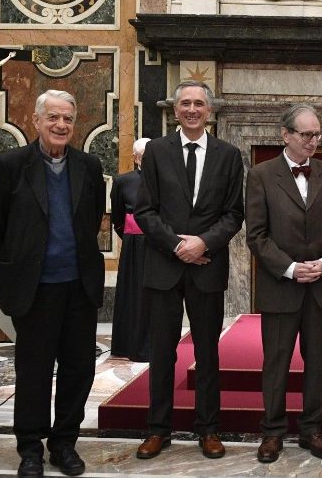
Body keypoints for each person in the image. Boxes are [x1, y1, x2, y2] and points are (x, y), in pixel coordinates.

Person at [0, 89, 106, 477]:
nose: (60, 125)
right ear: (36, 121)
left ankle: (64, 443)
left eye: (67, 118)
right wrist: (26, 258)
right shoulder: (10, 164)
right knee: (34, 371)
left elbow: (91, 221)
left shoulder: (88, 166)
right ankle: (31, 448)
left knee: (78, 369)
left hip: (78, 286)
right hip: (33, 288)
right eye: (52, 117)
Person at [133, 80, 244, 460]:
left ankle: (208, 429)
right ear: (174, 109)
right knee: (162, 351)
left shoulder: (228, 156)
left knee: (208, 353)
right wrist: (179, 246)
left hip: (207, 266)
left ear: (209, 111)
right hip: (164, 266)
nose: (192, 109)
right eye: (186, 103)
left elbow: (234, 214)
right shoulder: (157, 151)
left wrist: (203, 244)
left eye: (199, 103)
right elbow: (144, 210)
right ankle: (158, 430)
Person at [245, 104, 322, 463]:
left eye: (317, 134)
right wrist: (290, 268)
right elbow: (256, 236)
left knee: (316, 361)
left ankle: (311, 430)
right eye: (306, 134)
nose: (313, 141)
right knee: (276, 361)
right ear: (285, 135)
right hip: (281, 286)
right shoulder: (261, 175)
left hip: (319, 286)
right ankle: (272, 432)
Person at [109, 137, 152, 362]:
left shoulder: (165, 179)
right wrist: (130, 237)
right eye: (143, 156)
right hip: (134, 246)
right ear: (135, 158)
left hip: (158, 245)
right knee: (132, 295)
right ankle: (128, 344)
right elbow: (117, 218)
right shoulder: (123, 181)